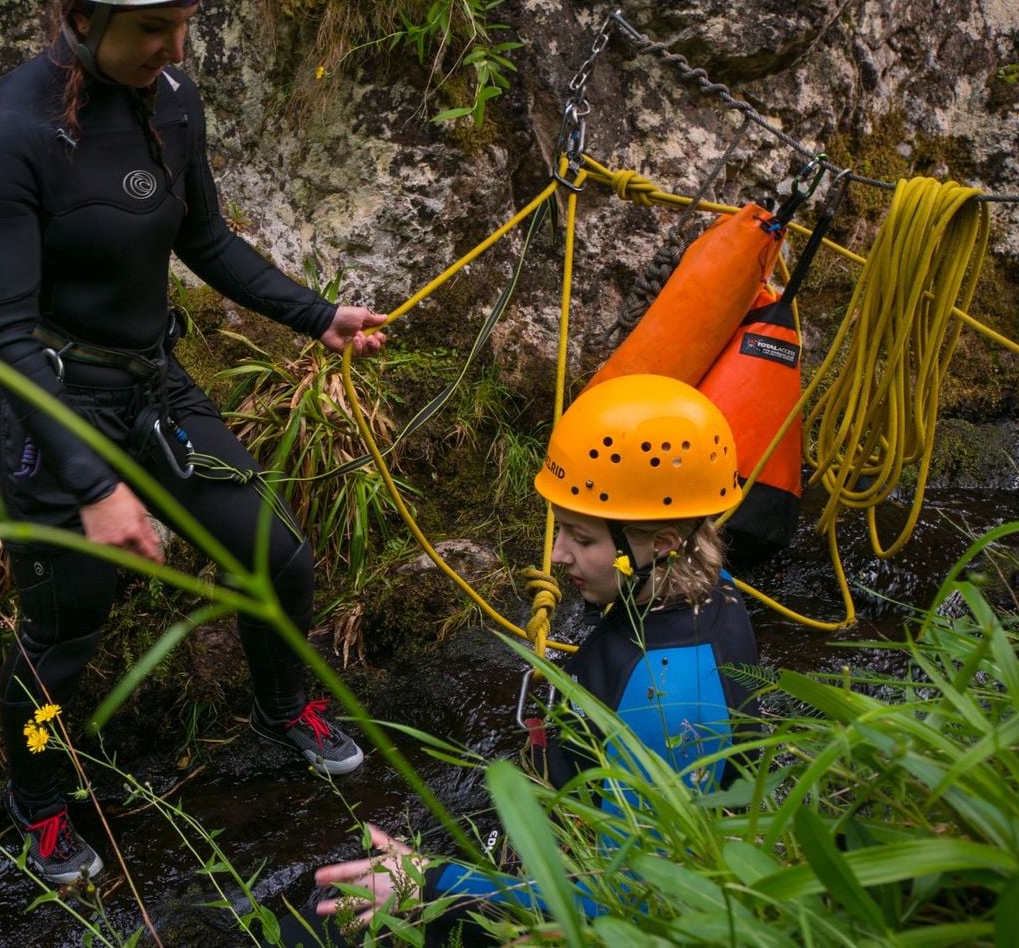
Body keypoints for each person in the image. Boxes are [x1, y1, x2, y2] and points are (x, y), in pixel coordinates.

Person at [0, 0, 388, 886]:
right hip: (52, 411)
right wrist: (96, 487)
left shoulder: (172, 102)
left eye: (184, 24)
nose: (175, 50)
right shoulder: (13, 136)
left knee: (275, 557)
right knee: (66, 626)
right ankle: (37, 799)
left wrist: (318, 317)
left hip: (153, 388)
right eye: (153, 30)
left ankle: (282, 706)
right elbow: (5, 340)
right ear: (80, 10)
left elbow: (203, 239)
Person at [293, 375, 760, 942]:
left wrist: (434, 882)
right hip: (573, 813)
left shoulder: (668, 697)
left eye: (580, 538)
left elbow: (628, 899)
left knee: (315, 929)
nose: (558, 554)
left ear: (659, 542)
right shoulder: (709, 588)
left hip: (574, 887)